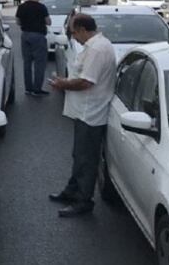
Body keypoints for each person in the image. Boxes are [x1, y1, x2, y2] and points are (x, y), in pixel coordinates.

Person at [49, 14, 117, 217]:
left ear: (82, 30)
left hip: (91, 112)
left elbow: (86, 82)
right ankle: (72, 190)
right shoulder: (96, 46)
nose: (74, 36)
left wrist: (62, 84)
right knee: (79, 154)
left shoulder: (96, 49)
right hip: (85, 111)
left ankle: (83, 200)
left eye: (73, 32)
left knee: (87, 158)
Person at [15, 0, 51, 96]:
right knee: (39, 63)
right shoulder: (41, 7)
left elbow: (17, 21)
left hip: (25, 35)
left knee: (27, 62)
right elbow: (48, 22)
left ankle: (28, 88)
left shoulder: (21, 7)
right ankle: (37, 89)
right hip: (38, 36)